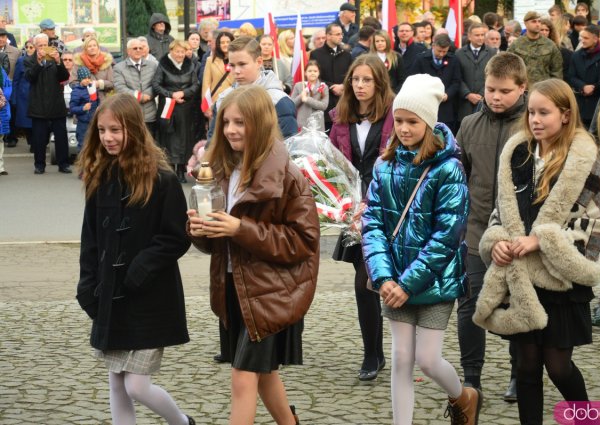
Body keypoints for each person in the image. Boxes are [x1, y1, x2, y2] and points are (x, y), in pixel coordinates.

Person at [473, 78, 600, 425]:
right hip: (520, 277)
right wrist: (498, 241)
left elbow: (596, 220)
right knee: (526, 366)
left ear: (565, 115)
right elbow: (499, 209)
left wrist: (544, 240)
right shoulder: (517, 153)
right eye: (531, 112)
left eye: (544, 113)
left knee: (559, 367)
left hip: (561, 280)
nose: (535, 119)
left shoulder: (583, 158)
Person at [187, 85, 320, 425]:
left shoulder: (287, 175)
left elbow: (302, 242)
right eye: (226, 122)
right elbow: (218, 241)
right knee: (263, 375)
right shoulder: (220, 171)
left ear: (259, 124)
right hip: (233, 286)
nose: (231, 130)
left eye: (240, 123)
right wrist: (202, 231)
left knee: (243, 377)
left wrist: (239, 229)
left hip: (272, 292)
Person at [361, 73, 479, 425]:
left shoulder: (448, 168)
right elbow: (373, 225)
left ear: (429, 122)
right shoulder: (384, 166)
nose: (404, 128)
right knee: (400, 358)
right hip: (393, 278)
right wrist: (383, 277)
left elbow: (448, 234)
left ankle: (463, 397)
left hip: (434, 282)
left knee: (427, 360)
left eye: (412, 121)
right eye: (398, 120)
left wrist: (408, 284)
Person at [75, 93, 195, 425]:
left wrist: (141, 267)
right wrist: (87, 286)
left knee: (137, 385)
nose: (108, 138)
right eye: (101, 130)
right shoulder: (100, 179)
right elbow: (91, 240)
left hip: (150, 298)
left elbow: (175, 236)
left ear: (134, 129)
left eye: (116, 130)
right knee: (116, 382)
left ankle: (182, 422)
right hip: (110, 298)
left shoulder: (163, 179)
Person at [456, 51, 527, 400]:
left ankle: (520, 373)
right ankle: (471, 377)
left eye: (504, 91)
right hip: (475, 230)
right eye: (490, 89)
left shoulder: (532, 126)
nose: (496, 97)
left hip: (517, 236)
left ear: (522, 88)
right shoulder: (469, 125)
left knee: (517, 304)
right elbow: (459, 176)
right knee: (469, 305)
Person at [329, 54, 395, 382]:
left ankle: (381, 352)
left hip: (388, 206)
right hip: (354, 208)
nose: (360, 85)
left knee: (372, 279)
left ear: (379, 82)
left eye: (367, 80)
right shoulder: (341, 118)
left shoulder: (395, 116)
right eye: (356, 79)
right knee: (364, 280)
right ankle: (374, 353)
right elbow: (331, 162)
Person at [210, 36, 297, 141]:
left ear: (259, 62)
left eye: (242, 64)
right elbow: (213, 143)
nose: (236, 71)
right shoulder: (223, 99)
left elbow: (288, 145)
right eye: (232, 65)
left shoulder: (278, 101)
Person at [152, 40, 199, 184]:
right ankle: (171, 168)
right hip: (168, 105)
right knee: (169, 136)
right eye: (177, 51)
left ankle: (181, 169)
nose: (180, 54)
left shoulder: (190, 65)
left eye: (183, 52)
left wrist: (183, 93)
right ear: (171, 51)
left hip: (185, 106)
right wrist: (171, 94)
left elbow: (195, 84)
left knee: (184, 136)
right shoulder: (163, 64)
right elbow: (156, 84)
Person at [24, 33, 71, 174]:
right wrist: (38, 63)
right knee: (38, 139)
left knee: (61, 136)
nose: (43, 48)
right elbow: (30, 77)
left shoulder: (55, 58)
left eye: (45, 45)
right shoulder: (29, 60)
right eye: (40, 45)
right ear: (35, 46)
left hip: (56, 104)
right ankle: (39, 165)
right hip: (38, 105)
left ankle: (63, 164)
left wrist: (58, 62)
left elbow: (64, 77)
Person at [409, 33, 462, 133]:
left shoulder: (453, 60)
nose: (441, 54)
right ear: (433, 46)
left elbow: (456, 82)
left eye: (444, 51)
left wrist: (447, 94)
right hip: (426, 106)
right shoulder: (421, 59)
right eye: (439, 51)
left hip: (446, 109)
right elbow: (414, 80)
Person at [309, 23, 353, 131]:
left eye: (341, 34)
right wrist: (332, 86)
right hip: (325, 103)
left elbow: (351, 75)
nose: (341, 36)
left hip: (344, 102)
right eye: (337, 34)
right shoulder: (316, 54)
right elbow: (314, 78)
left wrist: (343, 86)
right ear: (328, 36)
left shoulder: (346, 54)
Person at [113, 37, 159, 136]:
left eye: (140, 48)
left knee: (150, 146)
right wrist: (139, 96)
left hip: (149, 115)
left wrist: (147, 94)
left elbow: (157, 84)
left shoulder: (153, 66)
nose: (138, 50)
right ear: (128, 51)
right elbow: (120, 87)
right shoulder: (119, 68)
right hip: (130, 114)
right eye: (135, 48)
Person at [508, 11, 563, 87]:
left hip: (544, 90)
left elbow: (557, 71)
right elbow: (508, 68)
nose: (537, 24)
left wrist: (554, 89)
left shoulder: (550, 45)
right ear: (525, 23)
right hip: (522, 89)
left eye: (539, 21)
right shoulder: (516, 44)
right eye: (534, 22)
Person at [568, 24, 600, 129]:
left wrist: (594, 87)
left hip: (599, 102)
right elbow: (571, 76)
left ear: (595, 39)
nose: (582, 41)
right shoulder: (576, 56)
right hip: (580, 104)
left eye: (586, 38)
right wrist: (583, 86)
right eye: (581, 38)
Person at [456, 23, 496, 122]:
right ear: (469, 36)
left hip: (484, 100)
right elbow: (457, 77)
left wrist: (482, 94)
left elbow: (493, 75)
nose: (480, 38)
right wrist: (467, 94)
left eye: (482, 35)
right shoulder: (459, 53)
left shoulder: (491, 53)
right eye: (477, 35)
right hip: (464, 104)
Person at [201, 31, 234, 122]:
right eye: (222, 42)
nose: (225, 45)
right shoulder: (210, 60)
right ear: (218, 44)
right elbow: (206, 84)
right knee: (215, 132)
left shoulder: (238, 60)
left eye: (228, 42)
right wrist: (206, 106)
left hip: (234, 100)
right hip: (215, 101)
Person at [72, 37, 114, 102]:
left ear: (98, 47)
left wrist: (100, 83)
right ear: (85, 49)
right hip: (84, 100)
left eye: (94, 45)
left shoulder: (106, 62)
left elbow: (112, 83)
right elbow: (72, 83)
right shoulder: (78, 63)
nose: (92, 48)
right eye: (89, 46)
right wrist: (82, 84)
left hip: (103, 101)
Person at [291, 60, 329, 130]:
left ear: (319, 73)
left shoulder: (323, 87)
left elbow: (324, 106)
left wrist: (307, 99)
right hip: (303, 125)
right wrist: (301, 96)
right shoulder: (299, 86)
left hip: (317, 125)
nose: (312, 73)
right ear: (305, 73)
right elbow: (292, 104)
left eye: (315, 71)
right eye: (310, 71)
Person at [9, 40, 33, 150]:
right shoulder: (21, 60)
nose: (29, 49)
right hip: (24, 96)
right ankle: (32, 142)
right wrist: (14, 98)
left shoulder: (42, 60)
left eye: (31, 47)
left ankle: (36, 143)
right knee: (26, 121)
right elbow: (16, 80)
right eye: (27, 47)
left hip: (37, 95)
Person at [69, 66, 99, 152]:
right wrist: (83, 108)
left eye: (89, 78)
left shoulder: (93, 88)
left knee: (95, 144)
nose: (87, 80)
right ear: (80, 79)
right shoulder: (76, 91)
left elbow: (97, 101)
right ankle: (83, 163)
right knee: (83, 145)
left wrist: (99, 107)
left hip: (94, 121)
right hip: (83, 123)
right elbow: (72, 108)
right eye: (84, 78)